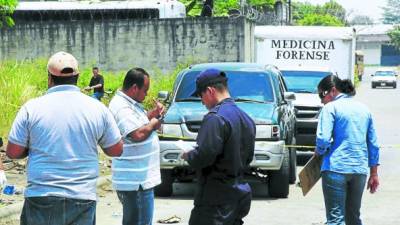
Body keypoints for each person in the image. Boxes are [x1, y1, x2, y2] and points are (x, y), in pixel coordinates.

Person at [6, 51, 123, 225]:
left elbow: (13, 152)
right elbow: (116, 149)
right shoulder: (97, 109)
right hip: (82, 197)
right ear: (77, 77)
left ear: (49, 78)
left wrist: (30, 148)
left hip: (41, 197)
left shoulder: (31, 108)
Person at [182, 68, 256, 225]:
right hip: (239, 194)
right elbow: (248, 157)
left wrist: (189, 155)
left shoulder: (215, 118)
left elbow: (204, 156)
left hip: (215, 199)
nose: (202, 102)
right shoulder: (246, 118)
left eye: (201, 96)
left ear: (209, 91)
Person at [316, 75, 380, 225]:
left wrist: (319, 152)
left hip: (335, 169)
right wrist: (374, 173)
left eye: (321, 95)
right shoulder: (364, 109)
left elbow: (323, 139)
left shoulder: (330, 108)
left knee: (335, 219)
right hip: (359, 172)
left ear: (332, 91)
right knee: (353, 217)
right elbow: (373, 144)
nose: (321, 100)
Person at [108, 67, 165, 225]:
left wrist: (152, 114)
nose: (146, 94)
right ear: (134, 88)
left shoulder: (129, 104)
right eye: (145, 90)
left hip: (139, 181)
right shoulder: (121, 107)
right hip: (135, 183)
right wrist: (154, 124)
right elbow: (137, 134)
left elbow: (135, 122)